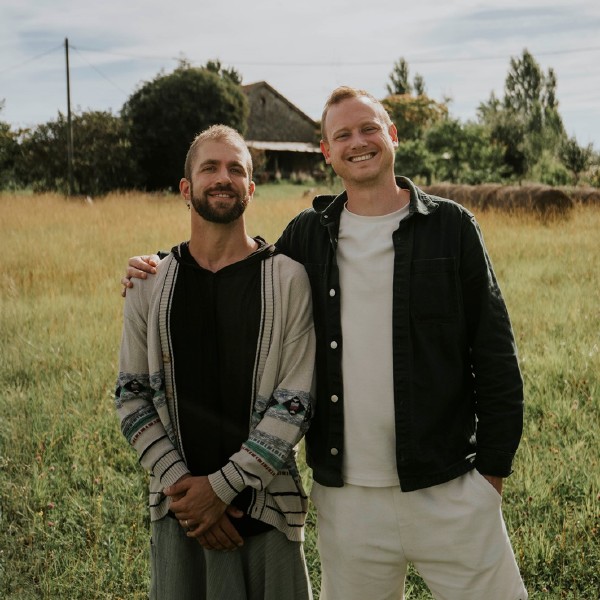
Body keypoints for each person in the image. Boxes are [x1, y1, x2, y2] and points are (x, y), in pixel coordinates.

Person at [123, 88, 527, 600]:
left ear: (392, 137)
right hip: (348, 498)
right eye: (343, 135)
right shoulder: (309, 236)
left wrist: (489, 478)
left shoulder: (451, 229)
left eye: (369, 129)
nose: (358, 142)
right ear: (326, 152)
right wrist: (158, 265)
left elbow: (495, 358)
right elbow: (236, 260)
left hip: (448, 485)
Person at [115, 124, 315, 600]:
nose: (222, 178)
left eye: (235, 169)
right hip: (179, 514)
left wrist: (222, 488)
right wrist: (186, 490)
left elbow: (296, 403)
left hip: (266, 515)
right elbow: (130, 395)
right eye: (210, 167)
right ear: (187, 188)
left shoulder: (288, 279)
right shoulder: (149, 283)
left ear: (251, 187)